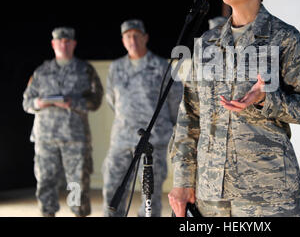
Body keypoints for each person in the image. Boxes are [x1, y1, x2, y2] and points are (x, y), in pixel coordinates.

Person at [168, 0, 300, 217]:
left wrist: (266, 99)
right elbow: (189, 116)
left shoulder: (284, 38)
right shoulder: (207, 43)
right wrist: (182, 180)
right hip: (211, 194)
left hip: (266, 195)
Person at [102, 19, 182, 217]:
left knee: (150, 197)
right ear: (123, 40)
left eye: (137, 35)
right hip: (121, 141)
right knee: (112, 193)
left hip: (152, 143)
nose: (133, 40)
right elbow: (112, 100)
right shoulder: (116, 68)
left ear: (145, 37)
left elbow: (175, 102)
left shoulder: (163, 67)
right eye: (128, 36)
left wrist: (165, 128)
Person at [23, 27, 103, 217]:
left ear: (74, 44)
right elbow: (26, 102)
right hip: (45, 137)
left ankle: (78, 213)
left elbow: (96, 100)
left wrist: (72, 102)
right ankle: (47, 213)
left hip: (75, 137)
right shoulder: (41, 71)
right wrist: (38, 103)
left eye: (68, 41)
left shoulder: (85, 70)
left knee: (77, 183)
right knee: (45, 181)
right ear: (53, 44)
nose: (64, 44)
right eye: (60, 41)